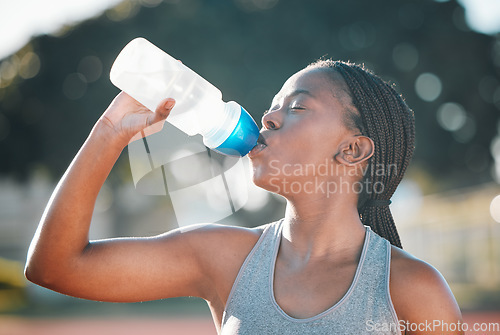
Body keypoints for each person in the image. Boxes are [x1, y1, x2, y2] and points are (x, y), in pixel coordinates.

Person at [25, 59, 463, 334]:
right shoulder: (222, 258)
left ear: (352, 149)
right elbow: (55, 267)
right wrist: (110, 132)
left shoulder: (409, 289)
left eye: (297, 107)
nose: (268, 116)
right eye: (274, 105)